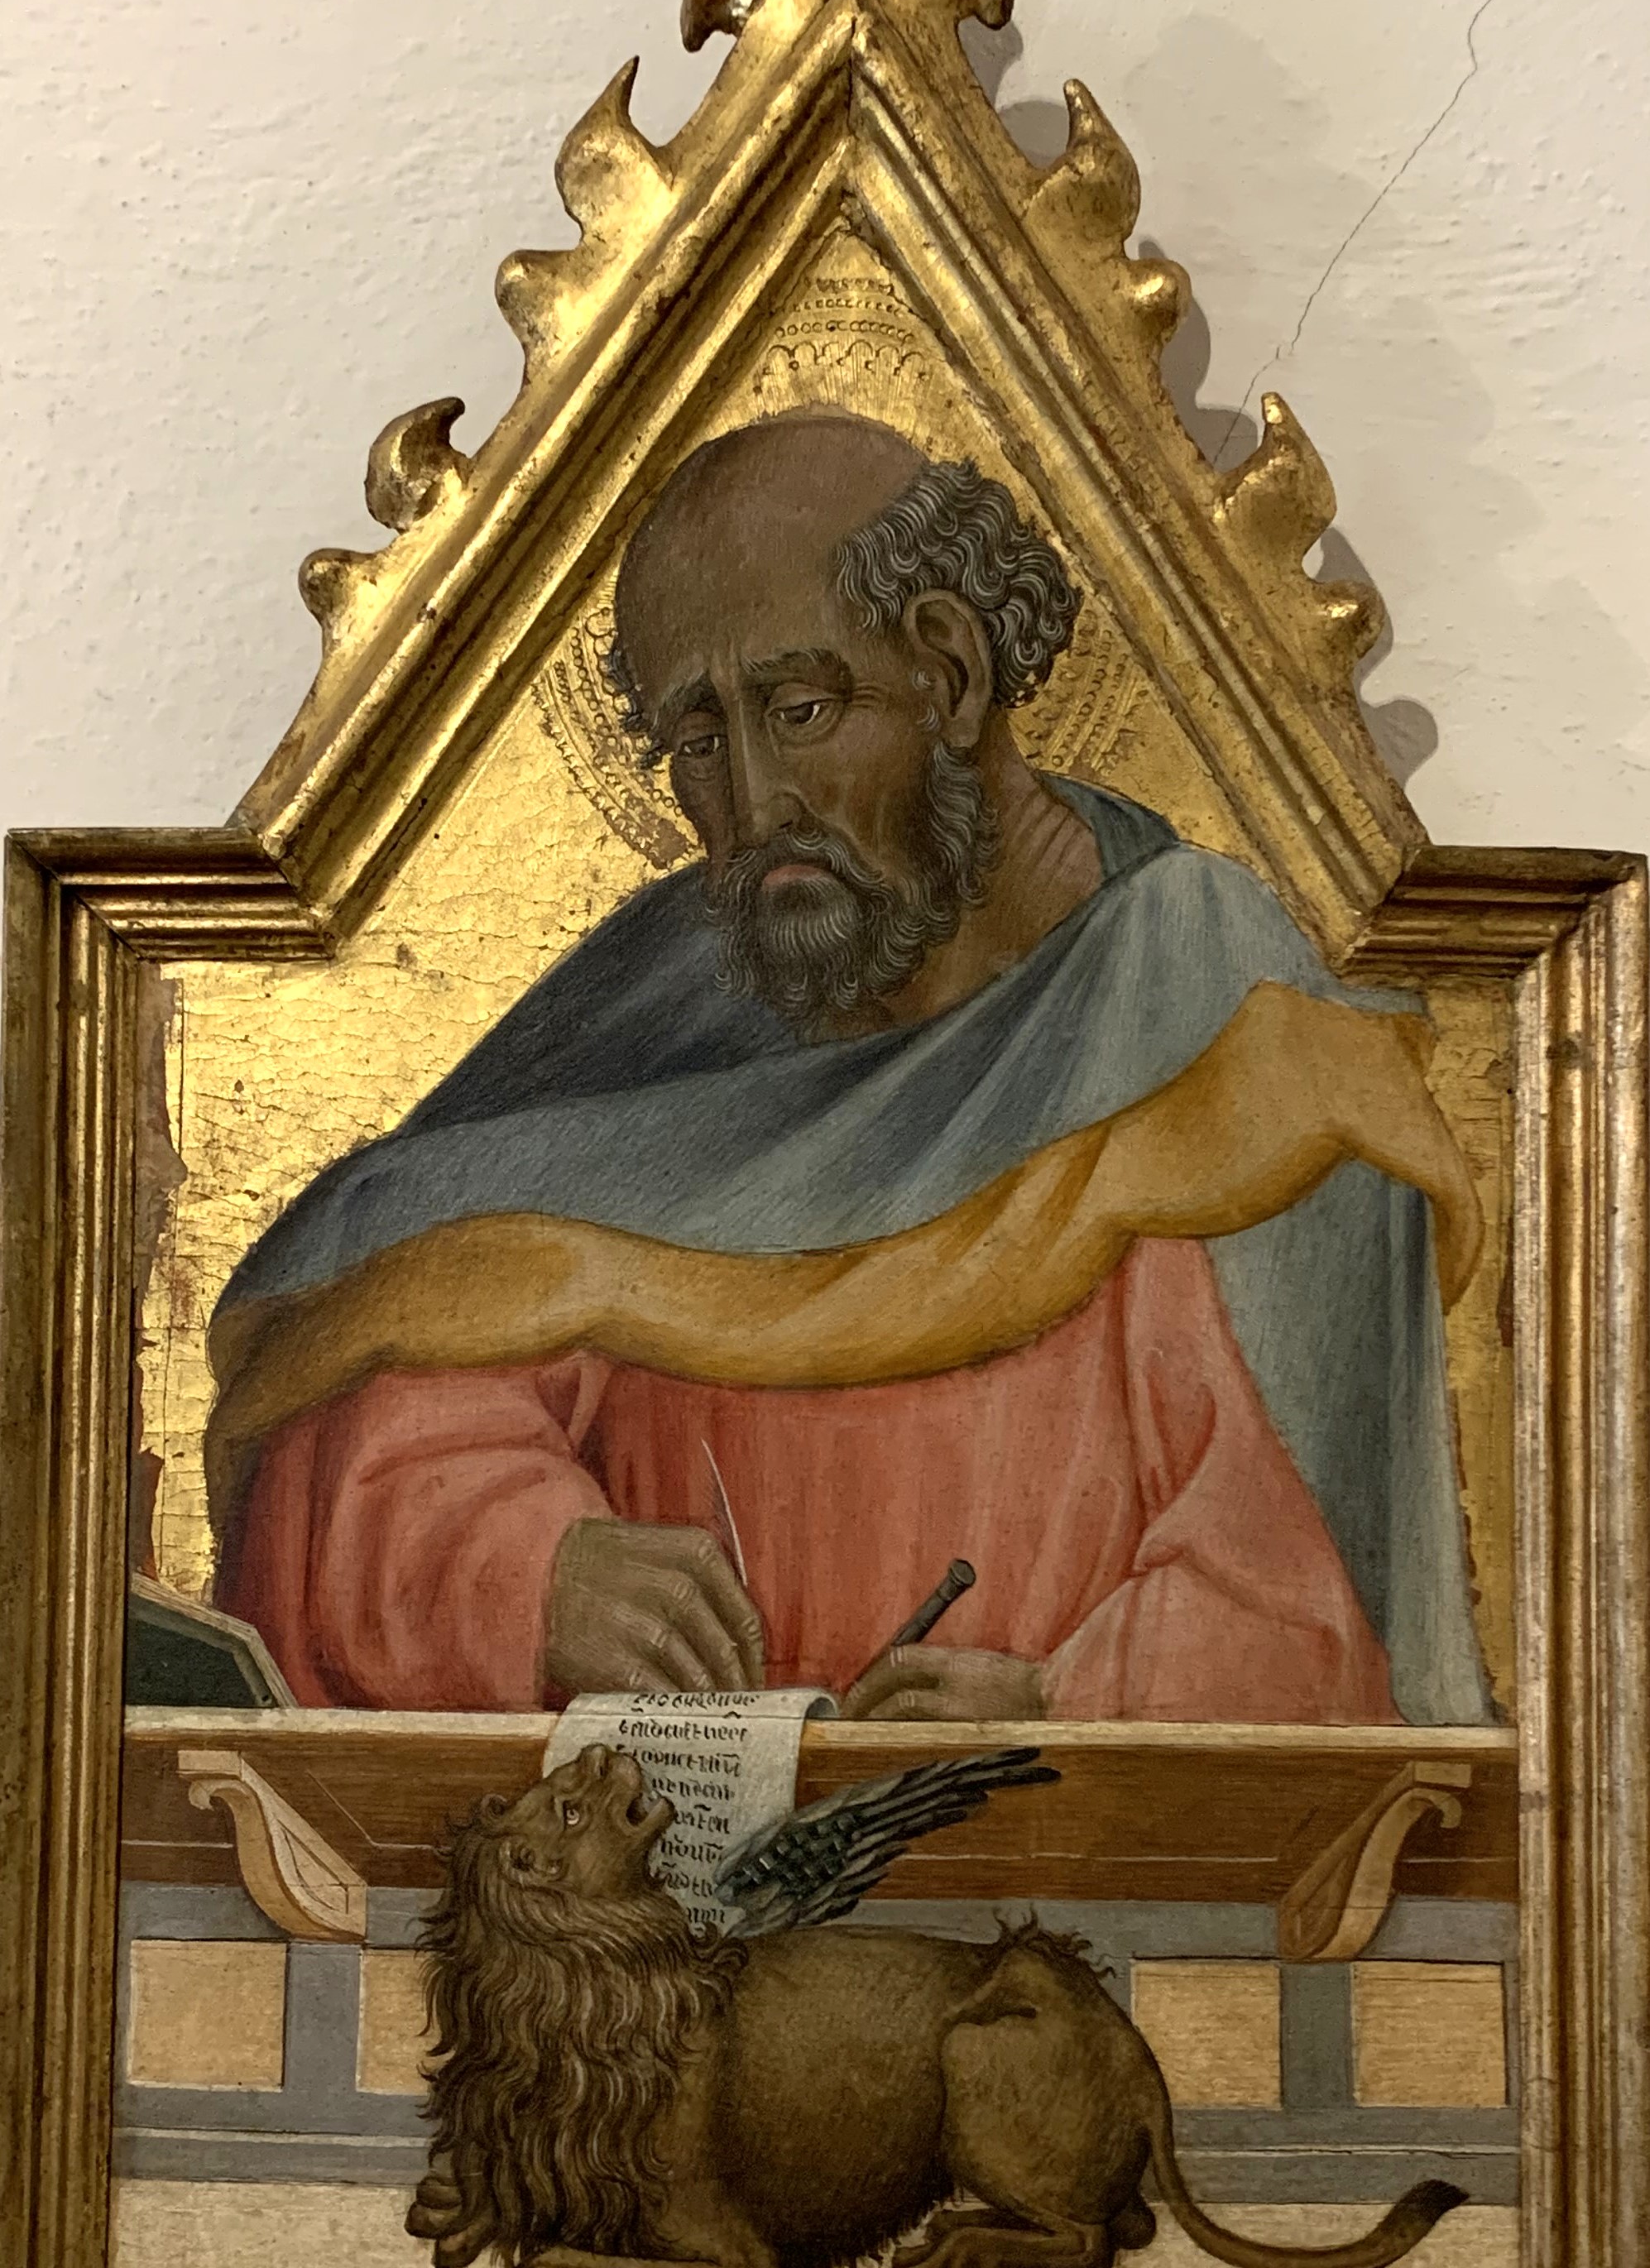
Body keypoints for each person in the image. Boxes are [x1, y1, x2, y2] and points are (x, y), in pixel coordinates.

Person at [208, 412, 1492, 1727]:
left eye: (800, 710)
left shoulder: (1223, 1027)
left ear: (950, 673)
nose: (752, 802)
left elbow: (1315, 1594)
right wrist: (527, 1567)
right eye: (697, 741)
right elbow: (362, 1379)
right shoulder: (665, 999)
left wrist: (1057, 1706)